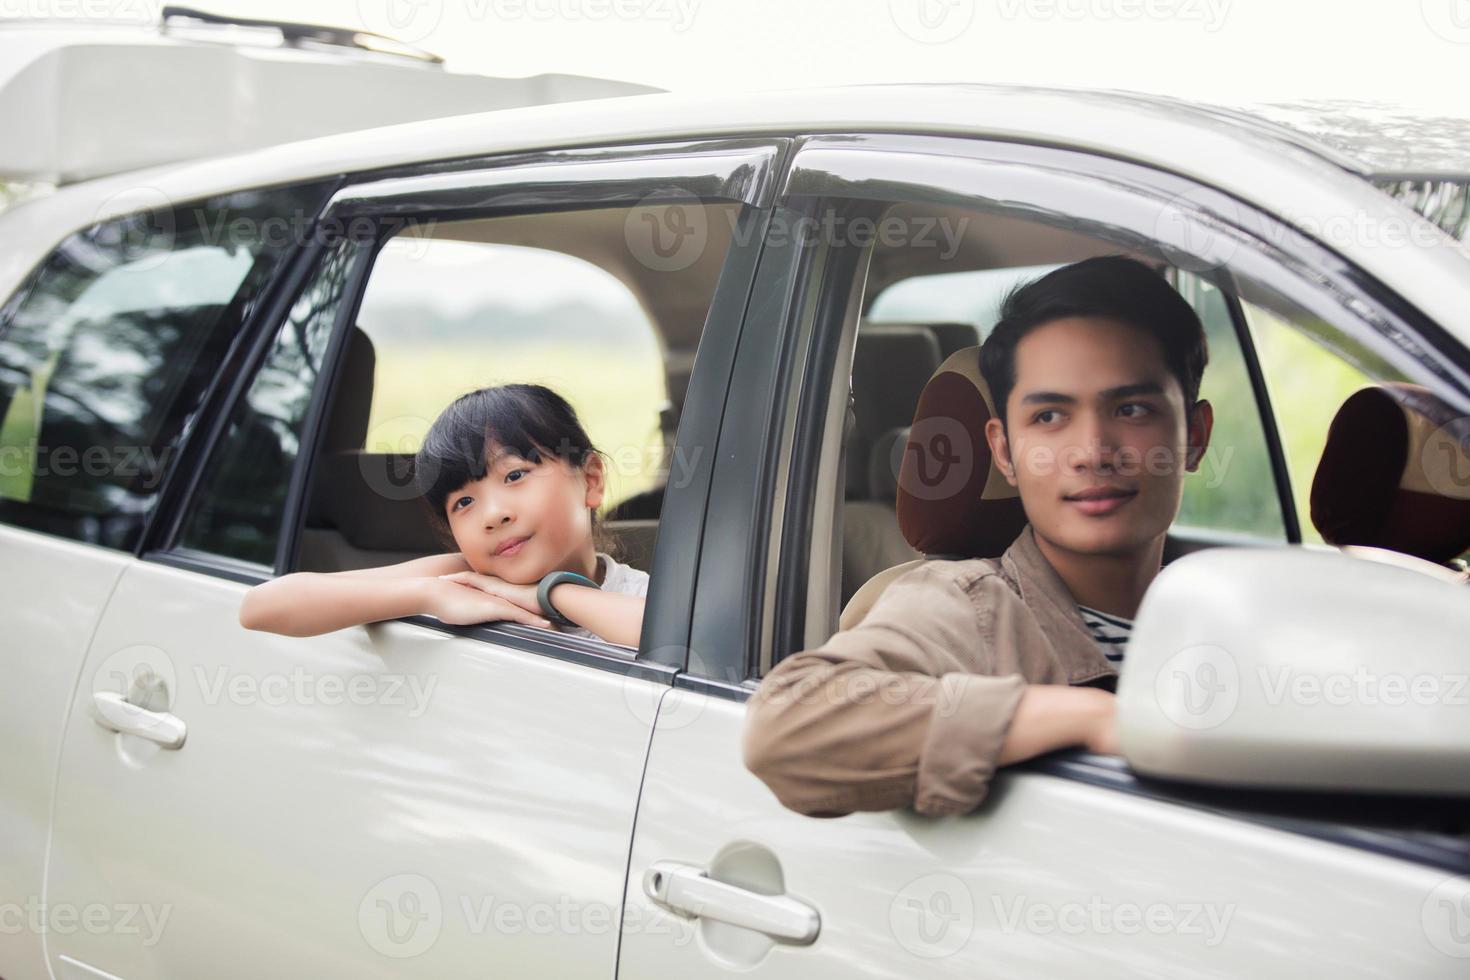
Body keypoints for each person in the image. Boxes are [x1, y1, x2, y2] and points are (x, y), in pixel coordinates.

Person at [743, 255, 1215, 817]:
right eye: (1049, 418)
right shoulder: (968, 608)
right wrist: (1092, 720)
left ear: (1197, 434)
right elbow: (789, 724)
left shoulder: (1227, 612)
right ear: (1003, 452)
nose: (1092, 451)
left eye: (1131, 408)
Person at [239, 383, 648, 647]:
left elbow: (685, 644)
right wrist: (431, 594)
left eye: (516, 474)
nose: (493, 515)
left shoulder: (638, 594)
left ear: (591, 480)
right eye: (463, 503)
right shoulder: (463, 578)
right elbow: (263, 605)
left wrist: (550, 593)